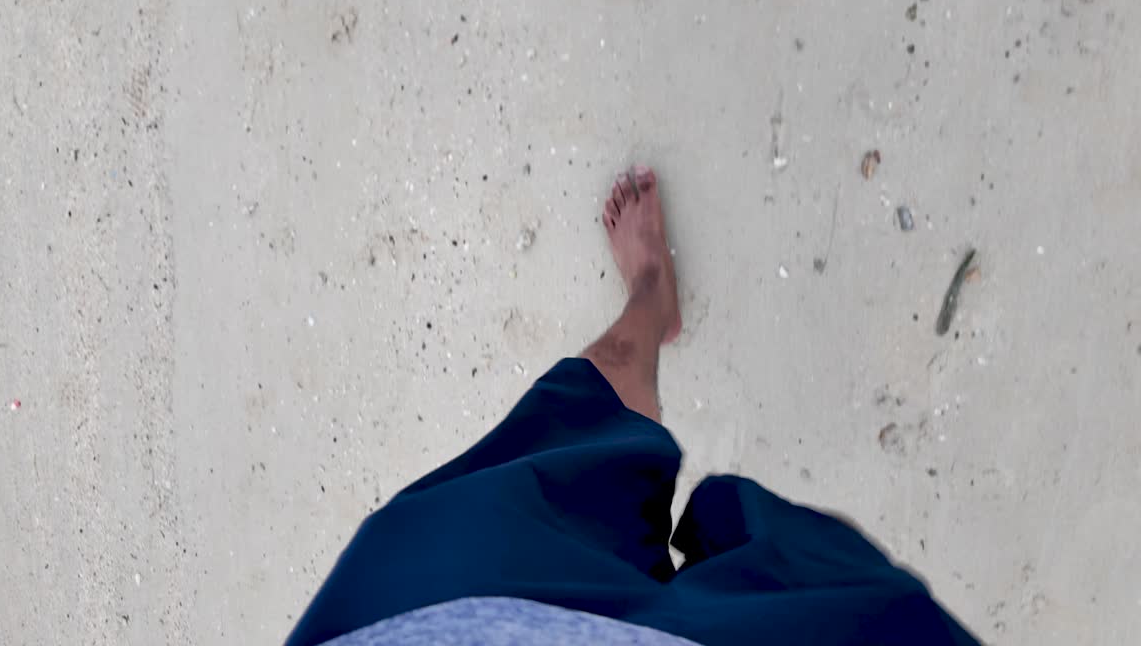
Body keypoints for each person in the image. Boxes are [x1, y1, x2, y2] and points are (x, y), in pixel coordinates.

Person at [285, 166, 980, 646]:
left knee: (583, 431)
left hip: (440, 621)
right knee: (827, 579)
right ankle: (648, 304)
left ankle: (651, 299)